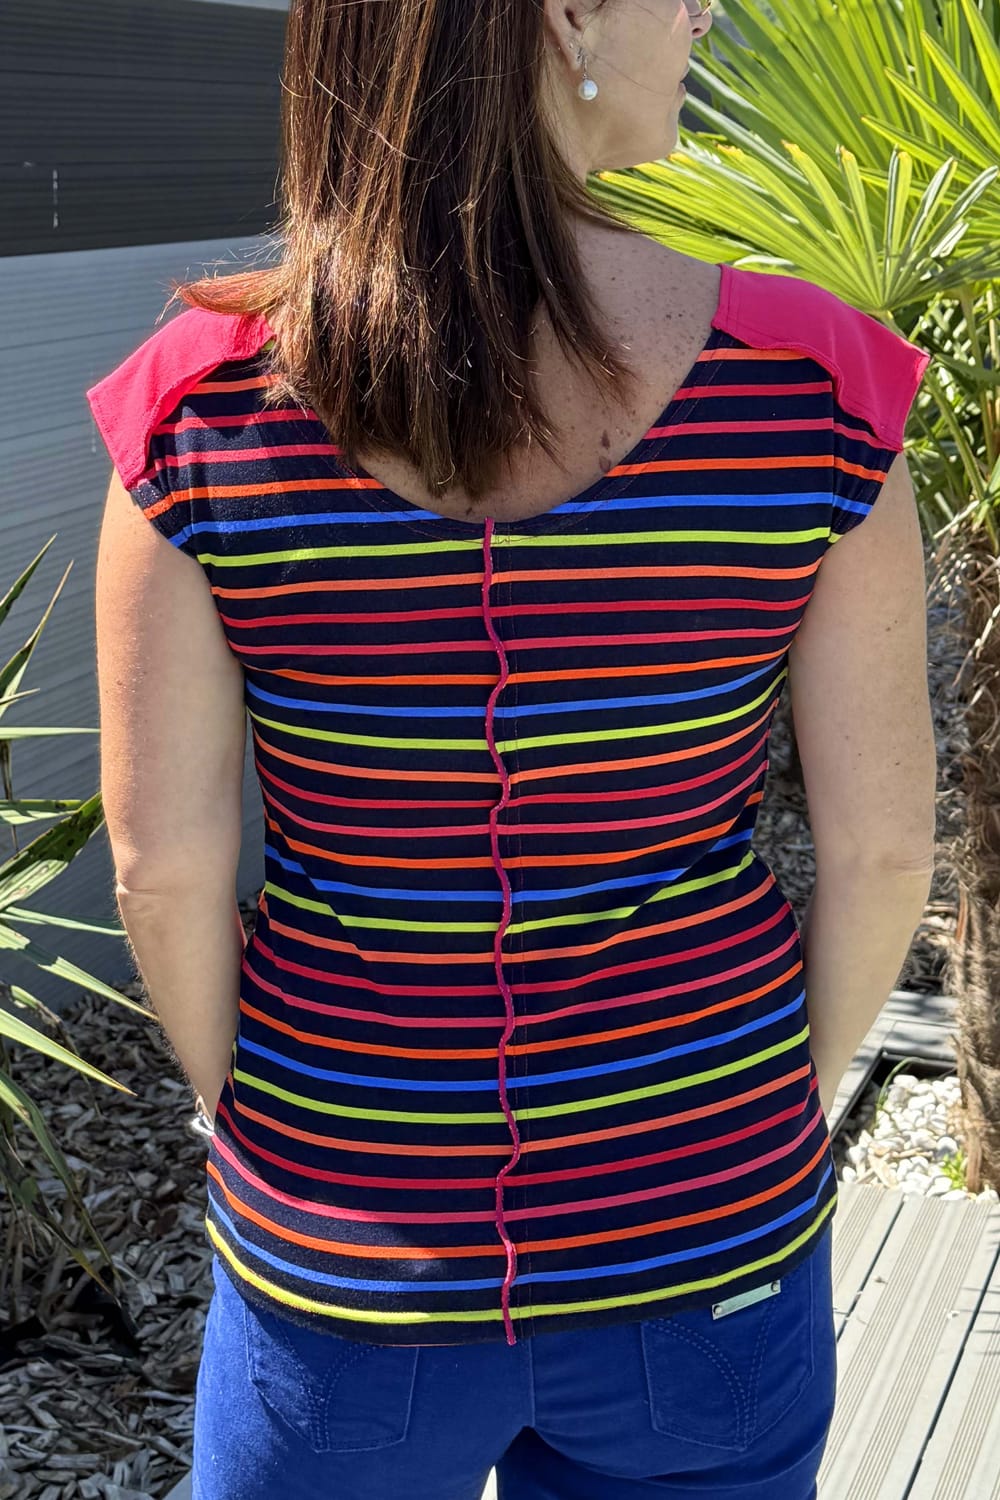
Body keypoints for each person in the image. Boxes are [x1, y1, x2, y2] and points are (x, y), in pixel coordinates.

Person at [87, 1, 937, 1496]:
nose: (706, 15)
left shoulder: (201, 403)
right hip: (707, 1230)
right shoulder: (819, 384)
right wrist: (760, 1117)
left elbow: (163, 871)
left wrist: (255, 1120)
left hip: (349, 1246)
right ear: (570, 16)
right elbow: (881, 852)